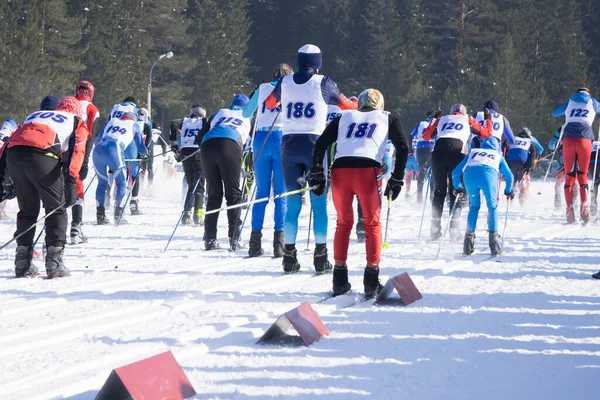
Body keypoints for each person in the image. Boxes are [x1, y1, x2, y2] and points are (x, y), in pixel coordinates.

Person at [264, 44, 357, 273]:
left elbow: (269, 103)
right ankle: (320, 256)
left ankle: (289, 257)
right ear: (318, 63)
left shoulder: (285, 82)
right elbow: (346, 105)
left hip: (289, 144)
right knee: (318, 203)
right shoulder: (324, 82)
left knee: (293, 203)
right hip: (314, 146)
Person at [310, 88, 409, 297]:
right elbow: (402, 147)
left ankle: (339, 278)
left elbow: (320, 143)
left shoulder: (344, 116)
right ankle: (371, 280)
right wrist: (397, 177)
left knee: (343, 223)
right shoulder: (388, 118)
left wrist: (317, 171)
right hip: (367, 171)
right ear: (380, 104)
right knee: (372, 223)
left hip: (340, 170)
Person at [0, 97, 87, 278]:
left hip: (15, 155)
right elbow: (77, 152)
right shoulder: (76, 121)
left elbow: (9, 142)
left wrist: (2, 175)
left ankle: (22, 263)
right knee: (56, 209)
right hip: (43, 155)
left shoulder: (35, 114)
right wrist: (71, 182)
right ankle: (54, 264)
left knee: (27, 211)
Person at [243, 63, 294, 257]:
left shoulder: (262, 87)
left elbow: (246, 113)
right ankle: (279, 244)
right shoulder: (291, 89)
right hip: (281, 138)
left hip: (260, 141)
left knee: (261, 192)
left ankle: (254, 244)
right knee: (281, 193)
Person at [422, 104, 492, 240]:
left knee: (439, 191)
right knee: (455, 190)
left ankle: (435, 227)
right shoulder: (468, 119)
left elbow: (426, 136)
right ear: (463, 112)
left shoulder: (442, 119)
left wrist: (435, 119)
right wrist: (488, 119)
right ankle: (454, 229)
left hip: (438, 154)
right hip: (456, 154)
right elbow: (487, 135)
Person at [196, 94, 252, 250]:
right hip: (230, 145)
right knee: (233, 194)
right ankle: (234, 237)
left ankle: (210, 238)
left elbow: (199, 137)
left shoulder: (220, 112)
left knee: (214, 194)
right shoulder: (249, 115)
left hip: (207, 146)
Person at [452, 137, 514, 256]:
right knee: (492, 207)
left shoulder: (473, 152)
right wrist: (508, 190)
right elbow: (509, 176)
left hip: (469, 177)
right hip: (488, 177)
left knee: (474, 207)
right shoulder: (497, 155)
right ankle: (494, 244)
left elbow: (456, 172)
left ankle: (468, 243)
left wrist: (457, 187)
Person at [552, 87, 600, 223]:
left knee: (570, 175)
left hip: (568, 139)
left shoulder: (570, 101)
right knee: (582, 175)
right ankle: (584, 208)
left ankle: (569, 210)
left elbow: (554, 113)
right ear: (588, 93)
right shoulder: (593, 102)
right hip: (584, 138)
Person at [93, 111, 146, 224]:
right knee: (121, 182)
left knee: (101, 183)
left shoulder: (111, 121)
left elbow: (98, 138)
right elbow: (141, 148)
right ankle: (118, 215)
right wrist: (146, 152)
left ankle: (100, 215)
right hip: (114, 149)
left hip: (98, 150)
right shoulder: (134, 125)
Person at [70, 80, 100, 244]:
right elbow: (91, 135)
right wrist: (86, 160)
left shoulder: (65, 103)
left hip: (58, 148)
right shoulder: (91, 109)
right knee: (77, 186)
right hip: (77, 149)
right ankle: (76, 227)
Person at [170, 105, 207, 226]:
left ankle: (186, 215)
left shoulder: (184, 121)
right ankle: (198, 215)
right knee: (199, 186)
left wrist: (174, 144)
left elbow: (173, 123)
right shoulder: (203, 121)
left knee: (192, 185)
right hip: (198, 153)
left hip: (185, 153)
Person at [102, 97, 139, 209]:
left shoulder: (115, 108)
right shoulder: (136, 110)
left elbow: (108, 123)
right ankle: (133, 202)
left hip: (112, 140)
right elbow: (142, 126)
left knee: (113, 170)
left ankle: (106, 196)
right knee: (134, 171)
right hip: (129, 142)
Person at [126, 107, 151, 216]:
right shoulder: (146, 126)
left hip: (125, 151)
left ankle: (115, 200)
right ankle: (134, 204)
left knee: (125, 175)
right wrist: (145, 153)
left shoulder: (132, 123)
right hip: (136, 152)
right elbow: (147, 142)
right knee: (135, 176)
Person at [506, 128, 538, 206]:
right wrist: (529, 166)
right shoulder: (529, 141)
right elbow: (533, 153)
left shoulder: (513, 138)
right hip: (522, 161)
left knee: (513, 179)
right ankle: (522, 201)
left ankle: (510, 198)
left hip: (510, 161)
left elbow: (506, 147)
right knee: (522, 180)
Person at [548, 127, 578, 210]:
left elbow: (551, 143)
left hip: (563, 157)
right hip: (574, 157)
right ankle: (574, 200)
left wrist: (552, 150)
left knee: (560, 179)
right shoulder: (580, 125)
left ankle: (557, 199)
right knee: (574, 179)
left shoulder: (562, 128)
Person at [410, 111, 435, 202]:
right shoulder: (435, 123)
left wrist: (410, 148)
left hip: (420, 149)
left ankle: (419, 197)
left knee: (422, 172)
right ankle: (432, 197)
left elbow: (411, 135)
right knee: (432, 173)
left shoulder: (420, 123)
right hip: (431, 148)